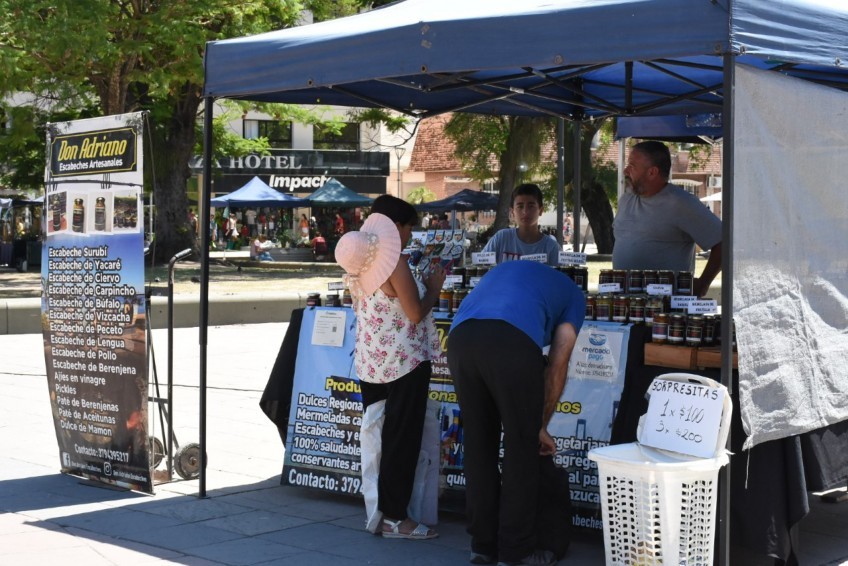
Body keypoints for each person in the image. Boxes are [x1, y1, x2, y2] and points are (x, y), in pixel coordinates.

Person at [447, 261, 585, 566]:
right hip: (510, 342)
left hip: (460, 340)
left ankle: (482, 545)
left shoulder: (506, 271)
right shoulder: (575, 296)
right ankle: (516, 551)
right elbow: (558, 363)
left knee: (479, 446)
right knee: (522, 449)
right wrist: (540, 426)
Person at [335, 194, 446, 540]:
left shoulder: (360, 262)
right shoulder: (393, 263)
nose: (411, 234)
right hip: (404, 361)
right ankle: (396, 518)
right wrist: (434, 289)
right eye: (409, 227)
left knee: (380, 440)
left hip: (371, 361)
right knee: (402, 440)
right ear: (396, 227)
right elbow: (414, 313)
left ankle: (382, 511)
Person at [613, 140, 722, 297]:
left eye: (632, 166)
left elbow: (723, 243)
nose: (625, 171)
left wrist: (703, 283)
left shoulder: (681, 203)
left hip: (665, 304)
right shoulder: (626, 199)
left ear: (652, 172)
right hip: (625, 302)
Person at [482, 183, 561, 266]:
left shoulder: (551, 247)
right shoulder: (501, 239)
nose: (525, 212)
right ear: (512, 212)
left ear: (541, 210)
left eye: (531, 206)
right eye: (520, 206)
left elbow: (562, 273)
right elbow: (480, 267)